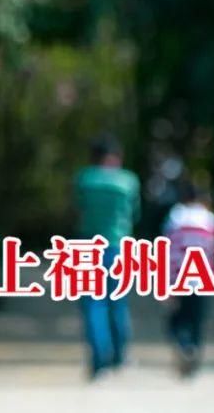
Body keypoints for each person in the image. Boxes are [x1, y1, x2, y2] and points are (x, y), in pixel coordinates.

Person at [74, 135, 141, 380]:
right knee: (118, 302)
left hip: (88, 247)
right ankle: (120, 356)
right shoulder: (128, 181)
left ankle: (98, 361)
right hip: (118, 246)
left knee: (93, 304)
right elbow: (135, 213)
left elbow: (78, 208)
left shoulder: (85, 179)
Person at [162, 179, 214, 376]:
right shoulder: (211, 219)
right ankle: (193, 349)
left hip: (178, 278)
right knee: (197, 320)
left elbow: (166, 249)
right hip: (203, 278)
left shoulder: (175, 216)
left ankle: (183, 343)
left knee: (176, 320)